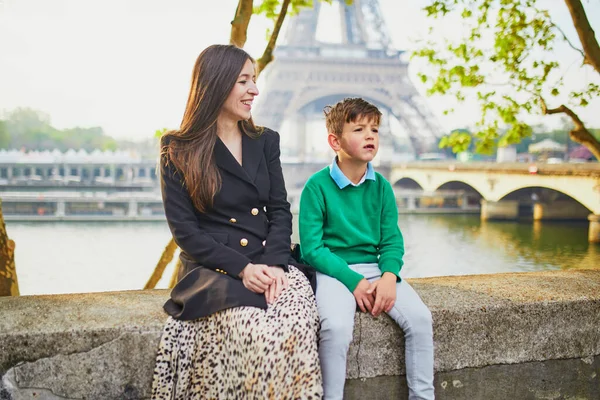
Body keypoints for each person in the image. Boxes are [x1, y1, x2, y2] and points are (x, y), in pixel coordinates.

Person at [151, 44, 322, 399]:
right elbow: (186, 232)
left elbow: (279, 209)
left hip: (271, 262)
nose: (255, 90)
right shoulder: (177, 148)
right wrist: (243, 268)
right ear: (216, 82)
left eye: (255, 80)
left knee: (298, 325)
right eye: (244, 81)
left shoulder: (265, 141)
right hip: (216, 270)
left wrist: (275, 263)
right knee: (254, 329)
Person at [299, 98, 434, 400]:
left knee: (421, 320)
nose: (370, 135)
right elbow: (312, 249)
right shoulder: (316, 186)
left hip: (375, 269)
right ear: (335, 140)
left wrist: (388, 276)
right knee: (335, 329)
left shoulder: (382, 186)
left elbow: (391, 241)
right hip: (333, 270)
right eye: (359, 129)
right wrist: (353, 281)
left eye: (374, 129)